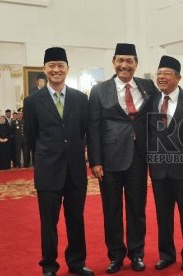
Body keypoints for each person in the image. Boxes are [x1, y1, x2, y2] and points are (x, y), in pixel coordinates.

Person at [88, 43, 158, 273]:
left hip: (138, 157)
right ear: (113, 63)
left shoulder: (147, 86)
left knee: (137, 209)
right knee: (112, 209)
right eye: (120, 60)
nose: (124, 65)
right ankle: (116, 255)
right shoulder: (100, 90)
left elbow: (164, 106)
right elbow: (93, 127)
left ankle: (137, 254)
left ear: (136, 64)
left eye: (129, 61)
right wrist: (95, 161)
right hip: (109, 159)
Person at [23, 47, 93, 276]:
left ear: (67, 69)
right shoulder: (33, 101)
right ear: (44, 70)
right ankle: (49, 265)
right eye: (51, 66)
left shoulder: (81, 99)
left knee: (76, 220)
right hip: (48, 170)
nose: (56, 70)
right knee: (49, 223)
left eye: (60, 66)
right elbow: (31, 136)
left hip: (75, 170)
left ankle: (76, 263)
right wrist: (47, 155)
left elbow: (86, 132)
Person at [147, 55, 183, 271]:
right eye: (159, 74)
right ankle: (166, 254)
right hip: (159, 170)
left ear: (178, 77)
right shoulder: (151, 100)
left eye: (166, 74)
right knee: (163, 216)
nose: (161, 77)